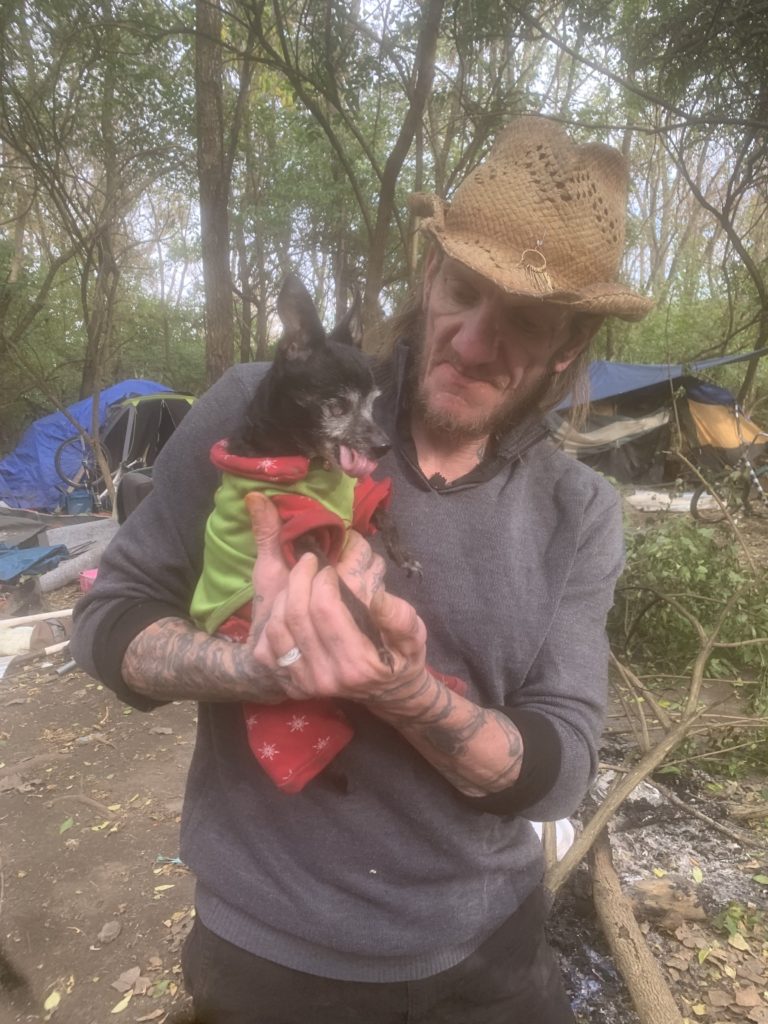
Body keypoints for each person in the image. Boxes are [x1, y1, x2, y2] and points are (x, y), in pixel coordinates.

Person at [71, 115, 652, 1023]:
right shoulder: (256, 413)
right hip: (273, 953)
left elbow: (561, 765)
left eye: (524, 322)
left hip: (489, 955)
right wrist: (250, 665)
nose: (471, 340)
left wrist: (404, 690)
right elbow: (110, 616)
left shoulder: (577, 512)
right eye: (463, 290)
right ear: (430, 275)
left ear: (565, 348)